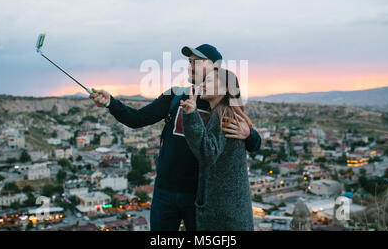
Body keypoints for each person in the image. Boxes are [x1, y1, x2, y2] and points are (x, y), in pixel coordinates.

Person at [89, 44, 261, 231]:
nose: (191, 65)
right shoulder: (175, 95)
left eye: (197, 62)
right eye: (189, 61)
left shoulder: (221, 103)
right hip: (165, 191)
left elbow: (251, 143)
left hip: (199, 196)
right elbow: (137, 119)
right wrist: (110, 103)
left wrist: (249, 134)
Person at [180, 67, 254, 231]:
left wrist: (191, 116)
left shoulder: (222, 114)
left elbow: (207, 153)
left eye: (210, 81)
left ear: (226, 89)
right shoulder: (229, 112)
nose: (203, 85)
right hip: (231, 209)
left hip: (223, 212)